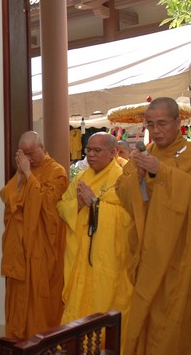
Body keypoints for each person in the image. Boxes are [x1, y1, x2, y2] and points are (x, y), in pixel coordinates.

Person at [115, 97, 191, 354]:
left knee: (175, 318)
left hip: (181, 255)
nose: (156, 131)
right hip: (149, 253)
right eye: (150, 124)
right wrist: (137, 177)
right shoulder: (144, 155)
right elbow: (122, 193)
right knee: (146, 316)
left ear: (178, 122)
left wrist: (163, 171)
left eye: (162, 123)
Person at [58, 132, 133, 337]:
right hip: (81, 255)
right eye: (88, 150)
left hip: (108, 259)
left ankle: (104, 345)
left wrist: (95, 204)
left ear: (113, 152)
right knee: (78, 301)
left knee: (105, 300)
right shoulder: (81, 178)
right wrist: (78, 204)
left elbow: (129, 216)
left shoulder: (122, 178)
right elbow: (62, 205)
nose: (91, 155)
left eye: (97, 150)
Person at [0, 131, 68, 339]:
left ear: (42, 148)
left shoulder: (56, 171)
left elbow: (48, 206)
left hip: (42, 249)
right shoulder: (22, 171)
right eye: (24, 154)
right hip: (20, 251)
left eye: (31, 153)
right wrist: (21, 175)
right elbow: (9, 198)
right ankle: (17, 341)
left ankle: (42, 344)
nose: (28, 158)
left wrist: (29, 175)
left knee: (41, 297)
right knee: (19, 298)